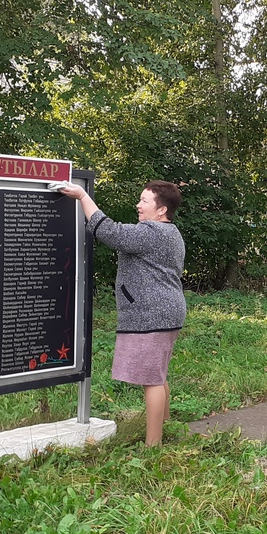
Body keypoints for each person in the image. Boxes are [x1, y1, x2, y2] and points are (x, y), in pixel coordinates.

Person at [57, 180, 186, 447]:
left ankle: (153, 445)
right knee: (158, 374)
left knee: (152, 380)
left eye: (144, 201)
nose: (138, 205)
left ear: (161, 210)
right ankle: (166, 427)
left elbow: (110, 232)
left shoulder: (151, 232)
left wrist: (82, 196)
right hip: (166, 312)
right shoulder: (171, 232)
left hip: (152, 315)